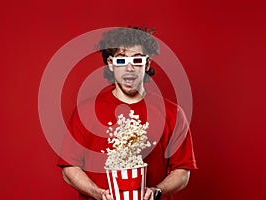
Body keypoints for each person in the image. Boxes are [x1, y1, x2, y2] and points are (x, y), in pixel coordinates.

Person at [57, 27, 197, 200]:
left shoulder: (172, 112)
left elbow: (182, 171)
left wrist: (157, 191)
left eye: (137, 60)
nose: (129, 68)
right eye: (121, 60)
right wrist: (98, 194)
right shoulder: (86, 111)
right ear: (110, 63)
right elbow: (69, 168)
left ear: (147, 64)